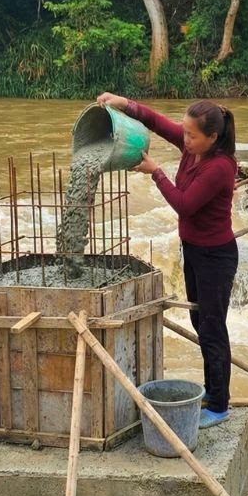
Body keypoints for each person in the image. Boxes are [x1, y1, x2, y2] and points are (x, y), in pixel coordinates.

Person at [95, 92, 238, 429]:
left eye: (191, 135)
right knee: (199, 324)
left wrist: (155, 172)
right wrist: (124, 104)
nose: (184, 139)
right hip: (194, 250)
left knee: (213, 329)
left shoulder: (220, 166)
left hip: (216, 256)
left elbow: (185, 204)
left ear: (212, 138)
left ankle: (219, 404)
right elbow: (158, 123)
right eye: (184, 132)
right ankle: (212, 390)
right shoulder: (193, 149)